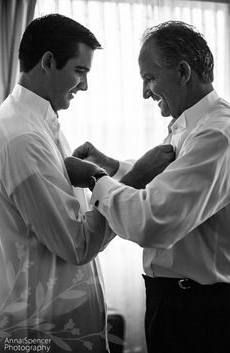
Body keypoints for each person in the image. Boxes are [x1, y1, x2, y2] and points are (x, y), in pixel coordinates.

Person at [65, 21, 230, 353]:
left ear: (183, 72)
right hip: (176, 302)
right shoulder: (193, 126)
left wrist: (97, 181)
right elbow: (174, 185)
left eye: (150, 78)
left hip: (198, 313)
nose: (145, 92)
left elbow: (154, 220)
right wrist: (114, 167)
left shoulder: (216, 135)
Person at [0, 14, 118, 353]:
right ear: (48, 62)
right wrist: (112, 182)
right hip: (43, 332)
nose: (85, 86)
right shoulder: (22, 137)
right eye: (80, 71)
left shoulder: (40, 125)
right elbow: (77, 244)